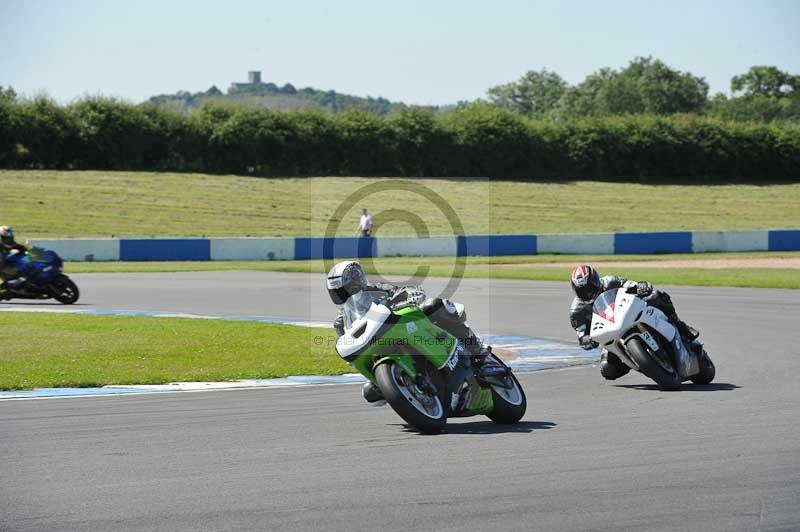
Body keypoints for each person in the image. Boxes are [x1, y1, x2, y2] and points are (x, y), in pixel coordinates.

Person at [326, 260, 492, 403]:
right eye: (338, 292)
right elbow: (352, 350)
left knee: (435, 306)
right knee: (369, 393)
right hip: (380, 345)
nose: (343, 294)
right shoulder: (341, 322)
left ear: (358, 280)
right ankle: (405, 388)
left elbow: (407, 291)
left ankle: (478, 351)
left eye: (345, 288)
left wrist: (411, 295)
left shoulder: (378, 289)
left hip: (404, 326)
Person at [568, 264, 701, 381]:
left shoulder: (610, 281)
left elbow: (630, 285)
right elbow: (581, 334)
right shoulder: (577, 311)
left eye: (590, 287)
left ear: (596, 280)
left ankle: (679, 324)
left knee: (656, 296)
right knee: (607, 370)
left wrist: (641, 287)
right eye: (582, 291)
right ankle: (634, 361)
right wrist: (587, 340)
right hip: (609, 334)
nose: (588, 293)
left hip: (628, 314)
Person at [0, 226, 30, 297]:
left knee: (21, 259)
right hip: (2, 267)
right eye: (6, 238)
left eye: (10, 238)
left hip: (5, 264)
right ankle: (5, 288)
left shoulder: (10, 243)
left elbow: (21, 247)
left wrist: (29, 251)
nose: (8, 240)